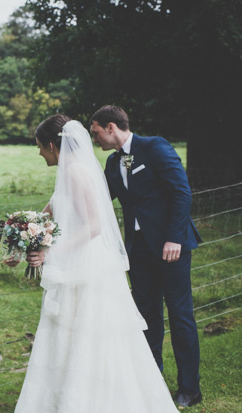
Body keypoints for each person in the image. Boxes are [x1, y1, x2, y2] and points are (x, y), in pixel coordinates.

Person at [11, 115, 177, 412]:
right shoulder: (67, 172)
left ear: (51, 145)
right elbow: (44, 217)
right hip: (74, 264)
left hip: (86, 269)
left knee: (89, 336)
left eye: (39, 147)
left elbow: (93, 226)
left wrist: (50, 253)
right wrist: (19, 243)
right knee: (68, 337)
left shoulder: (76, 171)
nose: (39, 153)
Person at [90, 105, 202, 407]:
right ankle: (151, 383)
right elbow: (94, 198)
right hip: (137, 252)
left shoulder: (155, 147)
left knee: (180, 317)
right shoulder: (114, 164)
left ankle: (190, 389)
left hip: (171, 247)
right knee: (146, 318)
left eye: (97, 133)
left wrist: (174, 238)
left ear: (111, 127)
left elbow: (182, 192)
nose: (95, 140)